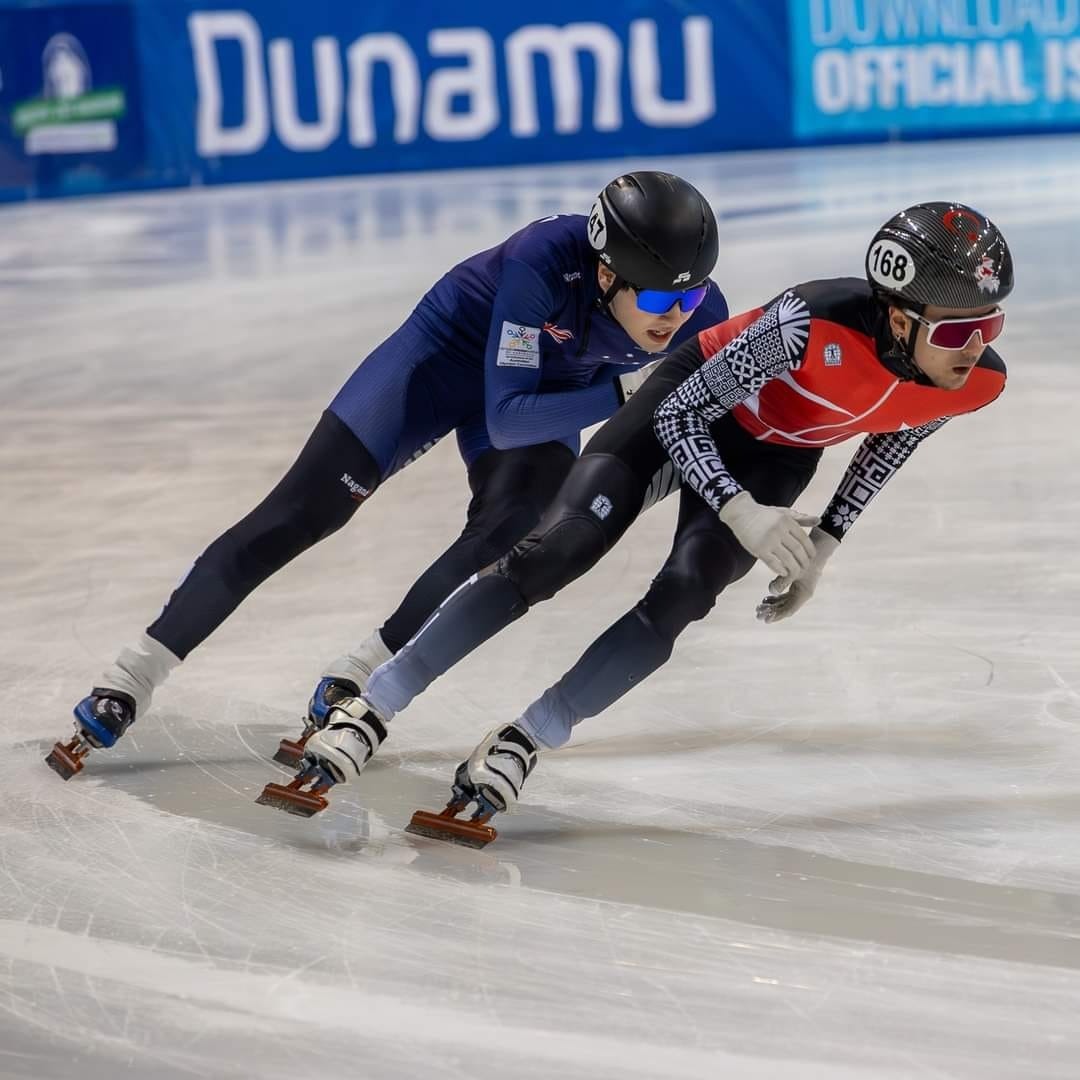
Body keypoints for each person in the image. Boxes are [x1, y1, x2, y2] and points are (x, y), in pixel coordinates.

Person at [256, 201, 1012, 843]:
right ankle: (374, 704)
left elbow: (889, 446)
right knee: (553, 555)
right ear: (894, 312)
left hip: (775, 456)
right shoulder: (810, 322)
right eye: (953, 333)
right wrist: (742, 512)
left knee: (681, 599)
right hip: (685, 410)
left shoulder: (974, 383)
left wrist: (827, 541)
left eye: (990, 326)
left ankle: (529, 737)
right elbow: (685, 414)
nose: (974, 348)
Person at [46, 171, 728, 780]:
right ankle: (132, 676)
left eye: (691, 300)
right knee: (300, 515)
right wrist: (624, 394)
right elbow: (511, 415)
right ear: (607, 275)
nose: (678, 317)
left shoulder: (700, 312)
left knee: (514, 528)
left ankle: (358, 672)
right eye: (662, 300)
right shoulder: (542, 263)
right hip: (441, 366)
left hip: (547, 390)